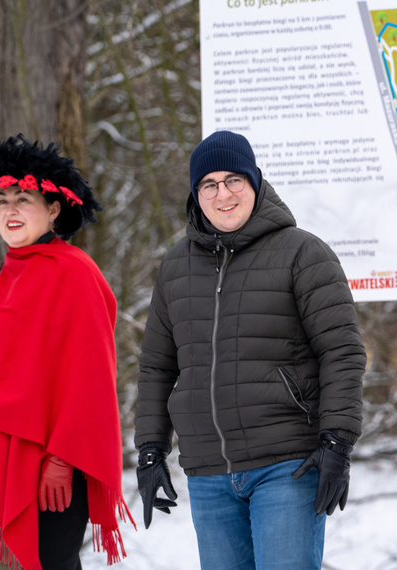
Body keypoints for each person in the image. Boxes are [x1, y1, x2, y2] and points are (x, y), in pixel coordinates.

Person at [134, 130, 366, 569]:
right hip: (207, 472)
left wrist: (337, 441)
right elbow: (157, 367)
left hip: (287, 466)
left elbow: (342, 351)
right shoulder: (175, 267)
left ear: (255, 182)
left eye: (233, 180)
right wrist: (150, 449)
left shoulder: (303, 253)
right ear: (196, 194)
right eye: (209, 184)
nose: (223, 194)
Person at [0, 135, 132, 569]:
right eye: (1, 200)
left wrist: (59, 460)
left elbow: (90, 374)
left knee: (54, 563)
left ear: (54, 209)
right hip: (7, 451)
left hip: (55, 459)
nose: (10, 211)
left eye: (23, 199)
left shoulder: (74, 272)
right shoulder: (6, 276)